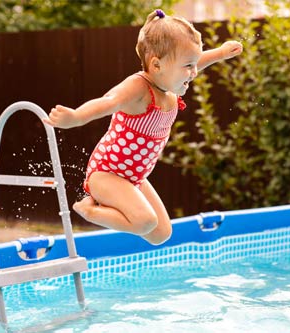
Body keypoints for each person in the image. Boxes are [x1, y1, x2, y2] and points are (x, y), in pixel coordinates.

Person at [44, 9, 242, 245]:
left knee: (160, 234)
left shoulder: (168, 82)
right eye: (188, 66)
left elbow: (196, 61)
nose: (194, 72)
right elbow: (109, 101)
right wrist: (76, 117)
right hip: (107, 173)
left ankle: (105, 207)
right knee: (145, 222)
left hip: (134, 176)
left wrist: (220, 53)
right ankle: (89, 209)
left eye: (193, 64)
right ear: (157, 65)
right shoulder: (139, 88)